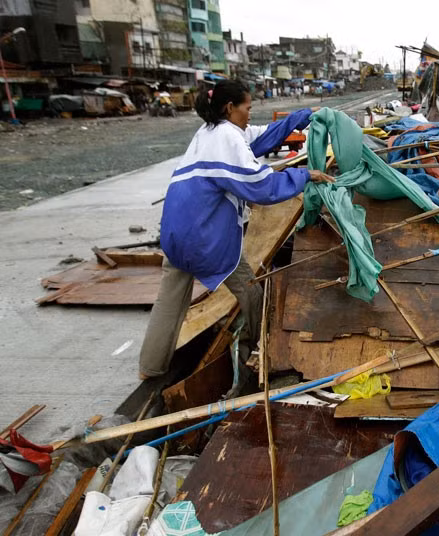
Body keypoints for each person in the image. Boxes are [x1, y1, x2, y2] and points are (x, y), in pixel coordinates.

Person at [138, 80, 334, 381]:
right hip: (204, 238)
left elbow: (262, 136)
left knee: (170, 302)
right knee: (252, 294)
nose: (249, 114)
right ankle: (258, 349)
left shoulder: (210, 133)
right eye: (247, 108)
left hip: (176, 233)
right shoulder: (227, 138)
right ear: (230, 108)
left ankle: (150, 369)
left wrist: (304, 116)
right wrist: (305, 175)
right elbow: (260, 186)